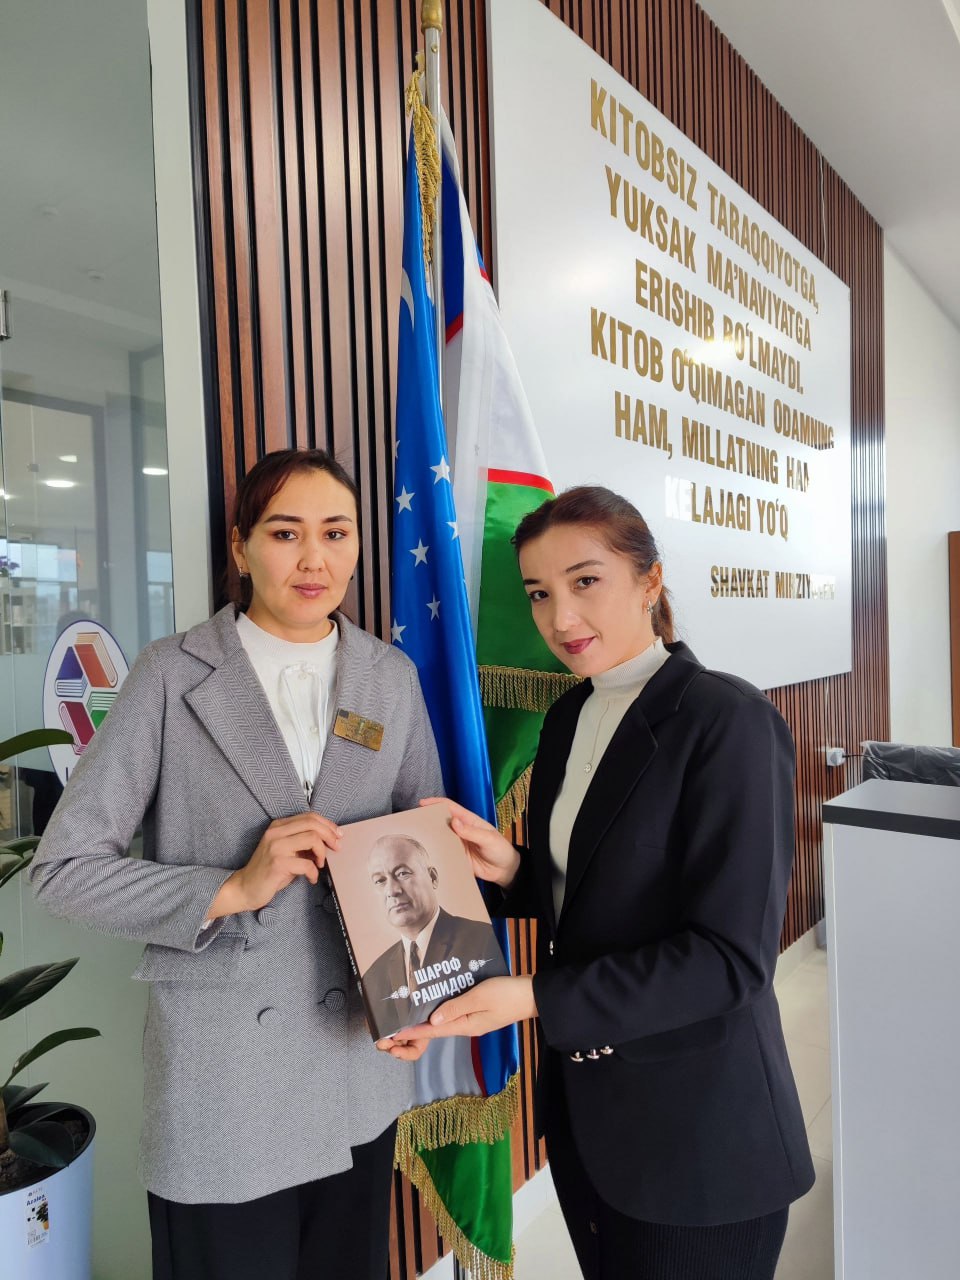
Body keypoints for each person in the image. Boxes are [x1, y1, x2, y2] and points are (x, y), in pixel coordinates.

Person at [381, 486, 816, 1280]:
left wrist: (533, 996)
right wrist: (513, 868)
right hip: (591, 1125)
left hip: (701, 1139)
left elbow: (729, 960)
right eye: (539, 594)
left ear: (650, 582)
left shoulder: (726, 720)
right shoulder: (569, 717)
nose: (560, 617)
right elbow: (596, 895)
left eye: (585, 581)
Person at [30, 448, 442, 1280]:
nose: (314, 558)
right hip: (224, 1080)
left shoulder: (389, 677)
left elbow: (420, 852)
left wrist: (420, 998)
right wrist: (231, 887)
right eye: (285, 533)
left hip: (357, 1060)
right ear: (241, 546)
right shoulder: (170, 673)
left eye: (336, 533)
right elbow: (63, 869)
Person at [362, 833, 507, 1035]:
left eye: (402, 873)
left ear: (433, 877)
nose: (392, 890)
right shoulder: (374, 976)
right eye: (380, 881)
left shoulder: (482, 940)